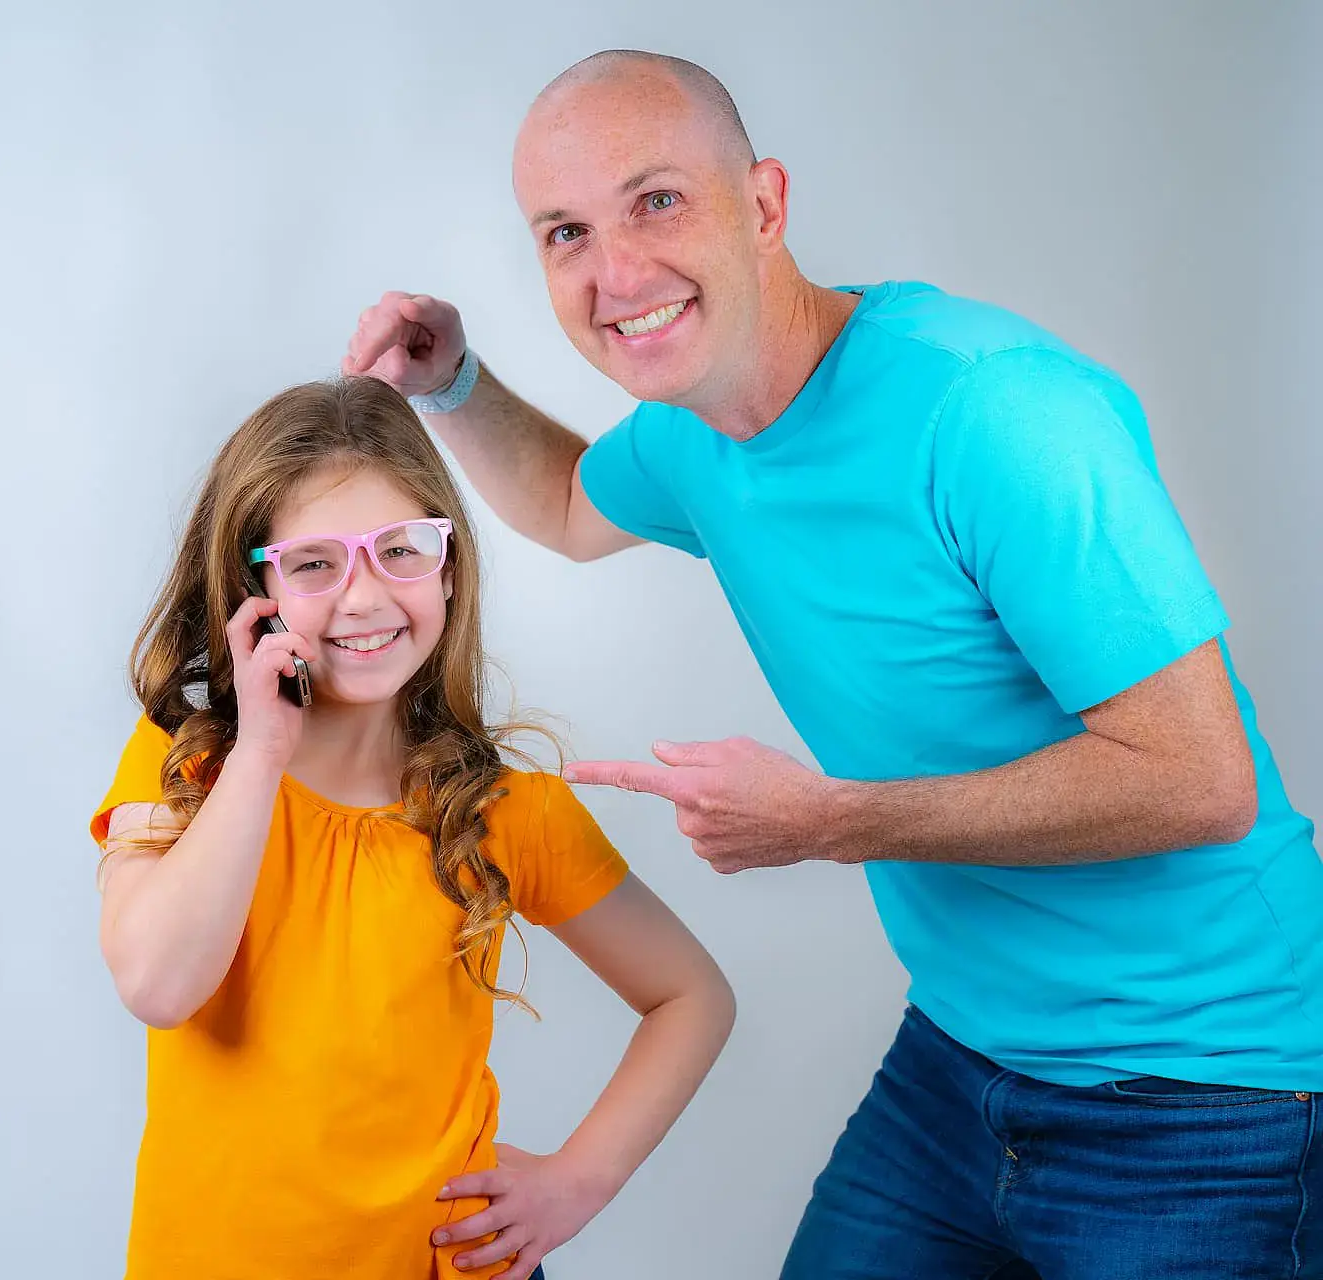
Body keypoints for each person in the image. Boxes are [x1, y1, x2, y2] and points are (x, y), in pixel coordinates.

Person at [342, 48, 1323, 1279]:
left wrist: (829, 820)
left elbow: (1201, 778)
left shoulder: (994, 411)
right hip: (962, 1059)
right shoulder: (692, 432)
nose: (616, 273)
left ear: (764, 204)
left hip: (1211, 1088)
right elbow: (563, 501)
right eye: (565, 232)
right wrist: (456, 380)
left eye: (657, 200)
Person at [89, 375, 736, 1280]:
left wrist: (576, 1183)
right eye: (314, 562)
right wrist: (261, 754)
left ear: (447, 565)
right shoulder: (186, 762)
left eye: (400, 549)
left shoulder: (508, 813)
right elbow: (160, 986)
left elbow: (691, 998)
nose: (362, 599)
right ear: (254, 584)